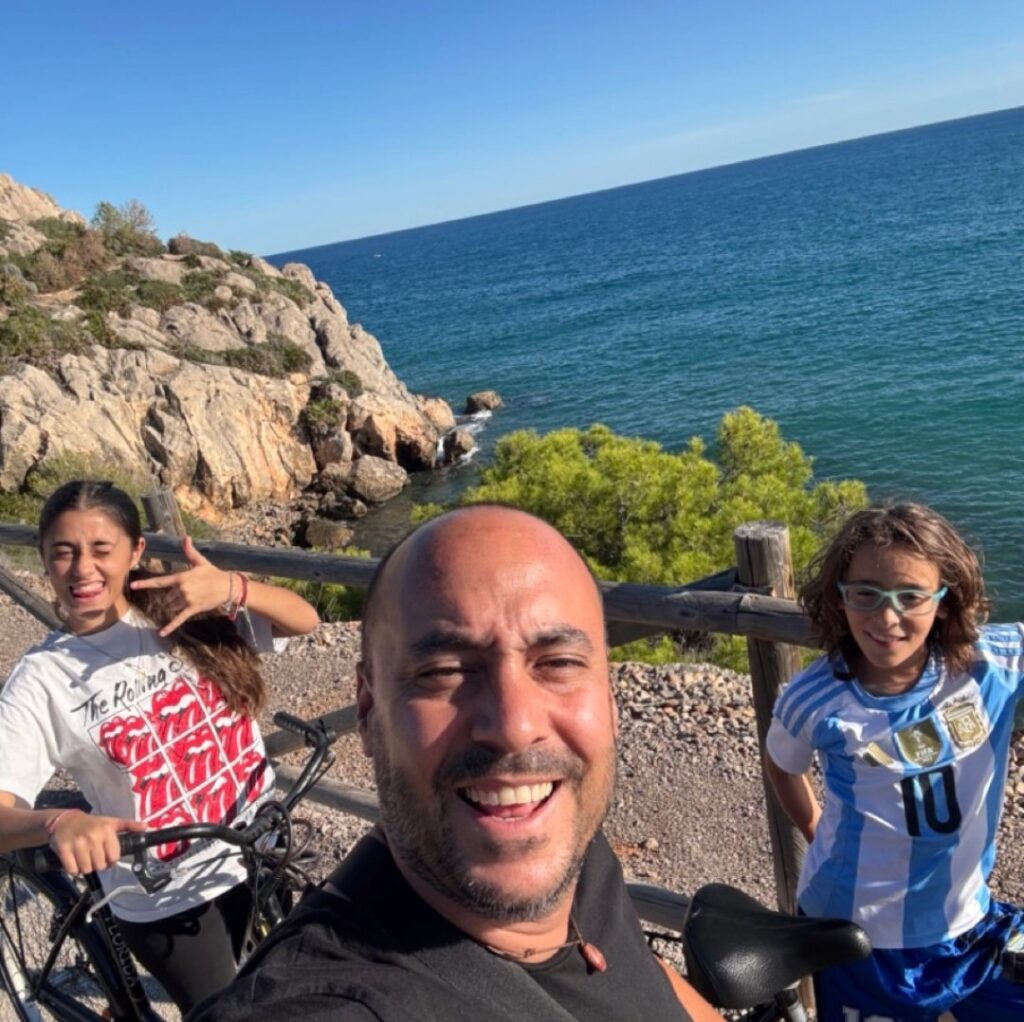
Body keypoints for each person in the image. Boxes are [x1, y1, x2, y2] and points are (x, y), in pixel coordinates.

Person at [190, 504, 721, 1021]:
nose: (514, 727)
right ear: (369, 714)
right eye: (444, 671)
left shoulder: (574, 847)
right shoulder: (327, 1001)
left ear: (608, 697)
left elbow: (643, 980)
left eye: (558, 663)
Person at [0, 480, 320, 1015]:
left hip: (259, 846)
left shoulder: (180, 611)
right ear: (44, 559)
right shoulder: (41, 680)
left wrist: (233, 588)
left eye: (102, 549)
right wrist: (59, 823)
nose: (83, 569)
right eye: (64, 552)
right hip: (168, 895)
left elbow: (304, 620)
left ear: (135, 552)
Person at [764, 502, 1024, 1022]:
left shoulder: (994, 665)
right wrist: (814, 827)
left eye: (911, 596)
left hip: (968, 915)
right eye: (866, 593)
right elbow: (781, 766)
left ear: (945, 600)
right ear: (839, 596)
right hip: (861, 932)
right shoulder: (813, 699)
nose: (886, 617)